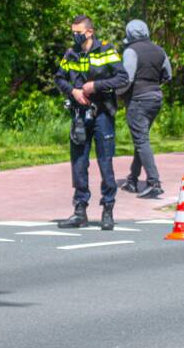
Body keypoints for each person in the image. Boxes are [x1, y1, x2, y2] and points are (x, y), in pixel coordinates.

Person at [54, 15, 129, 230]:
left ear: (89, 32)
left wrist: (95, 85)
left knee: (105, 162)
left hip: (102, 113)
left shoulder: (106, 50)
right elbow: (59, 78)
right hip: (79, 113)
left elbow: (122, 78)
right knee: (79, 163)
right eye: (73, 32)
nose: (74, 36)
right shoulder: (71, 53)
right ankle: (80, 210)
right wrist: (74, 91)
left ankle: (107, 210)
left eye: (78, 32)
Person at [117, 19, 172, 199]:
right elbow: (168, 75)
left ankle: (153, 182)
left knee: (141, 141)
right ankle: (133, 180)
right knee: (142, 140)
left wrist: (116, 95)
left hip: (138, 100)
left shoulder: (131, 51)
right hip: (155, 98)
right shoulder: (159, 50)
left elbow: (128, 78)